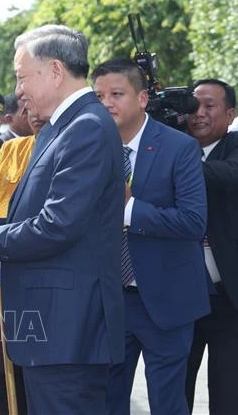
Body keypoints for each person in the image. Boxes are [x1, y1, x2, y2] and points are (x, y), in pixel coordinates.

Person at [0, 24, 125, 414]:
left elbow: (57, 225)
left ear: (54, 71)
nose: (18, 90)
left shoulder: (85, 128)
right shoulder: (64, 127)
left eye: (22, 77)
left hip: (69, 330)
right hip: (54, 330)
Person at [91, 58, 210, 415]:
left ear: (142, 98)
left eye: (116, 94)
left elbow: (193, 221)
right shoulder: (89, 148)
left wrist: (128, 210)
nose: (106, 103)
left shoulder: (179, 148)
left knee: (167, 402)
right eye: (98, 96)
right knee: (109, 401)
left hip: (167, 300)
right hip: (109, 301)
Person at [185, 79, 238, 415]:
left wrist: (177, 169)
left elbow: (235, 174)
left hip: (235, 299)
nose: (198, 114)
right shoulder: (173, 146)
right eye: (193, 106)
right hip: (180, 302)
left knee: (231, 401)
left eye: (209, 106)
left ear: (230, 114)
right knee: (172, 399)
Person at [0, 102, 47, 415]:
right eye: (32, 109)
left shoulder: (78, 153)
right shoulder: (13, 150)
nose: (39, 116)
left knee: (38, 386)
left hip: (43, 291)